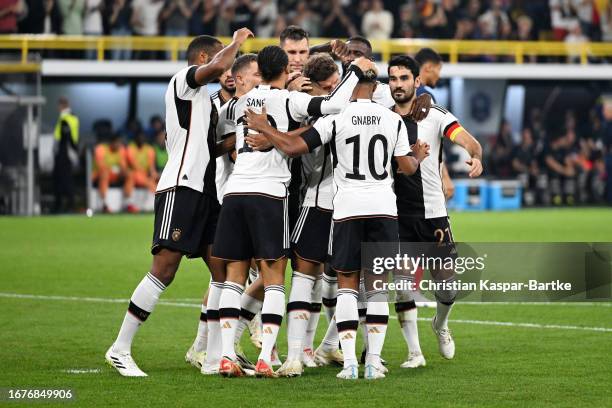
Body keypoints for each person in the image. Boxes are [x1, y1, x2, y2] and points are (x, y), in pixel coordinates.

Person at [244, 66, 429, 380]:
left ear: (349, 85)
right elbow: (407, 168)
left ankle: (349, 365)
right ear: (375, 88)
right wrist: (419, 156)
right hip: (384, 208)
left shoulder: (336, 118)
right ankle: (372, 362)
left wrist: (266, 128)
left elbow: (292, 146)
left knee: (345, 287)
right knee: (377, 289)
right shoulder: (392, 119)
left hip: (347, 208)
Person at [211, 45, 373, 378]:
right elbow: (334, 106)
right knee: (274, 281)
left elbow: (226, 125)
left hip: (235, 192)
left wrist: (274, 134)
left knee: (234, 278)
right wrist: (354, 69)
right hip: (269, 194)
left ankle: (225, 355)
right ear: (286, 68)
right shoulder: (288, 100)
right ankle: (266, 358)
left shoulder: (242, 101)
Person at [104, 28, 253, 377]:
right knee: (164, 269)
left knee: (223, 269)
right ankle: (120, 348)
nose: (228, 71)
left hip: (204, 193)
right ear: (204, 59)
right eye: (221, 61)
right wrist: (236, 42)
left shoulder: (205, 102)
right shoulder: (182, 82)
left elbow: (206, 147)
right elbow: (219, 65)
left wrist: (233, 140)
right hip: (180, 188)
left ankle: (215, 357)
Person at [387, 55, 482, 368]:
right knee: (403, 285)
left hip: (433, 213)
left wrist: (476, 155)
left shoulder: (436, 115)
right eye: (393, 78)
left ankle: (440, 325)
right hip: (397, 213)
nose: (397, 84)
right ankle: (415, 352)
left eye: (404, 78)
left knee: (448, 286)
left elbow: (467, 139)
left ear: (417, 81)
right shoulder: (382, 116)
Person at [92, 133, 135, 213]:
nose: (119, 145)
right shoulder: (101, 149)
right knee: (104, 173)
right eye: (117, 143)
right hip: (99, 174)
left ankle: (128, 203)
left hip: (114, 174)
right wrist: (113, 169)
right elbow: (101, 166)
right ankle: (104, 204)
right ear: (111, 142)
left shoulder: (121, 149)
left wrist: (122, 170)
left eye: (120, 143)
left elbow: (123, 166)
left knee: (129, 173)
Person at [53, 97, 79, 213]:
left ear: (62, 105)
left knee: (63, 179)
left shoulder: (65, 119)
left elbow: (65, 137)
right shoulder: (73, 117)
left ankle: (68, 205)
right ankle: (65, 204)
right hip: (68, 151)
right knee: (64, 179)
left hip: (64, 152)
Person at [126, 131, 158, 196]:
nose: (141, 139)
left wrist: (153, 174)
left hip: (145, 174)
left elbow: (152, 166)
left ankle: (160, 196)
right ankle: (128, 200)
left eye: (143, 138)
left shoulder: (149, 149)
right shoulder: (130, 148)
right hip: (135, 173)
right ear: (135, 139)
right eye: (139, 138)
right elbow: (134, 165)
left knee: (156, 177)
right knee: (133, 176)